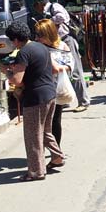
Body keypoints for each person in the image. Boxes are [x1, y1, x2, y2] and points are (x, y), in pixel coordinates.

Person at [4, 21, 66, 180]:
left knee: (33, 136)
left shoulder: (23, 53)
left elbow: (17, 80)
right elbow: (53, 69)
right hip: (50, 94)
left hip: (35, 98)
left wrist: (6, 71)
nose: (12, 44)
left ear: (17, 39)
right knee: (45, 131)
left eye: (12, 40)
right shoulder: (41, 47)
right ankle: (58, 157)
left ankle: (36, 171)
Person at [31, 0, 91, 112]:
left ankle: (84, 101)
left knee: (74, 71)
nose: (35, 9)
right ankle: (65, 100)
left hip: (66, 41)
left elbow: (62, 17)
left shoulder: (54, 7)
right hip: (56, 43)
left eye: (35, 5)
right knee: (61, 73)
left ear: (40, 3)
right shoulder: (46, 12)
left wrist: (47, 22)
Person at [34, 19, 73, 148]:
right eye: (37, 35)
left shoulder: (62, 46)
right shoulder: (37, 47)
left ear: (49, 34)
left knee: (55, 120)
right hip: (41, 88)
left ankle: (57, 150)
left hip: (57, 88)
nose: (37, 38)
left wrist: (59, 68)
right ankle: (45, 150)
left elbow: (71, 65)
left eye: (40, 35)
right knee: (42, 122)